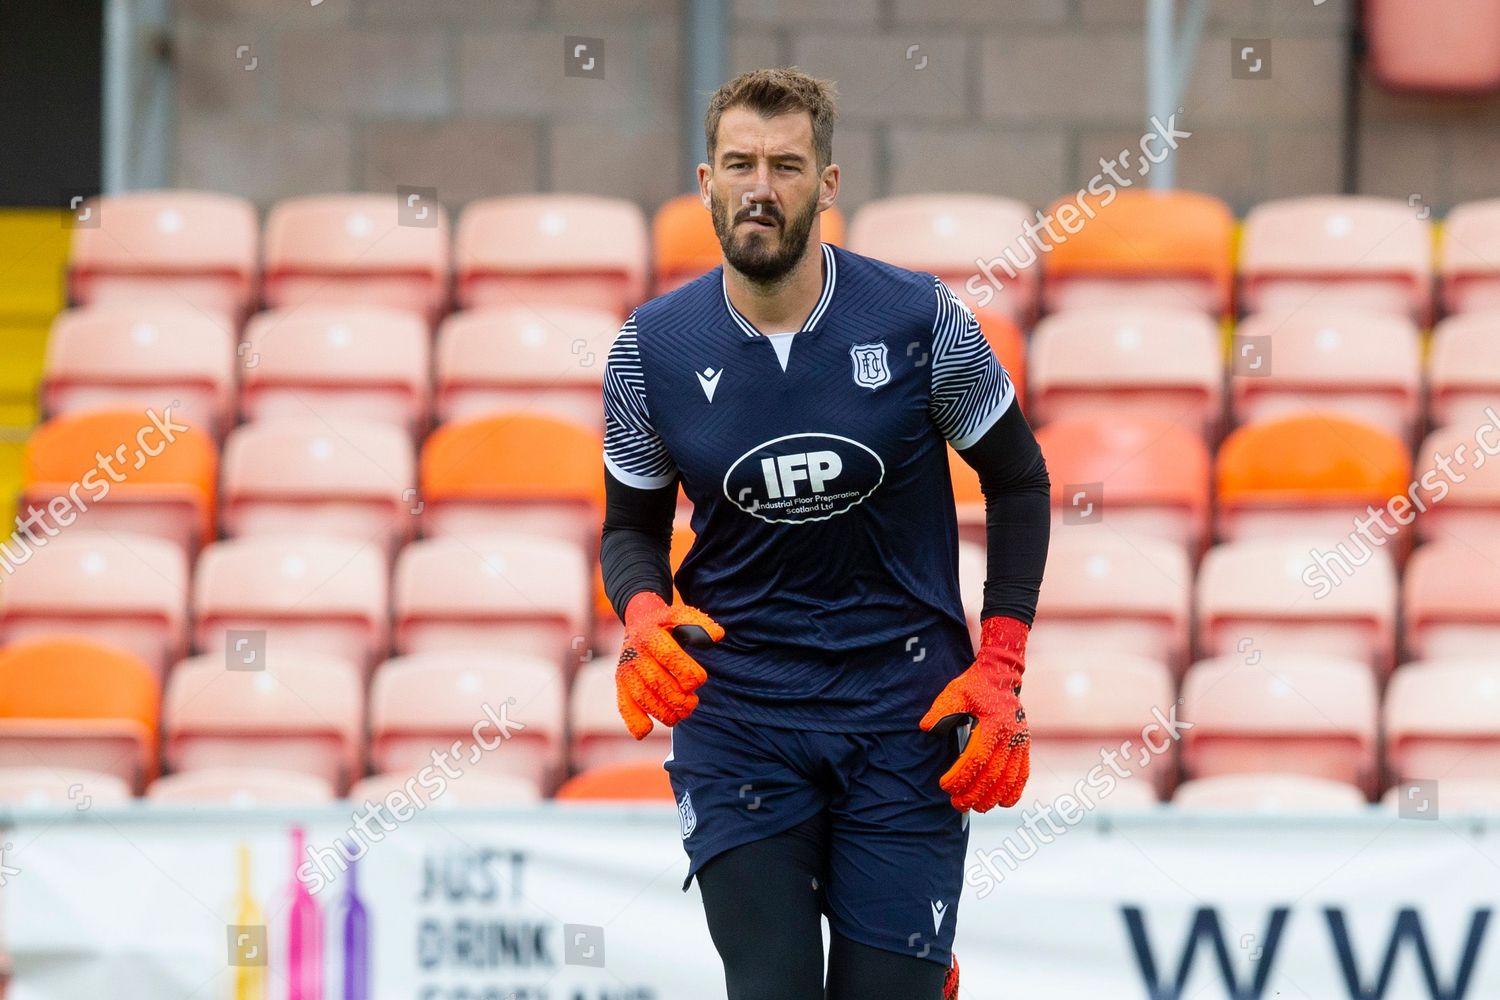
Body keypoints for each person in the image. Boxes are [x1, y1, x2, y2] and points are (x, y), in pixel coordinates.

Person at [599, 67, 1050, 1000]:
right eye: (739, 164)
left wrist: (1001, 663)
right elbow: (630, 527)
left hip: (905, 717)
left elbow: (1020, 480)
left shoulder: (922, 321)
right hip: (743, 718)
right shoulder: (649, 352)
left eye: (786, 165)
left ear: (828, 185)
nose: (760, 186)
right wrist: (642, 612)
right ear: (707, 182)